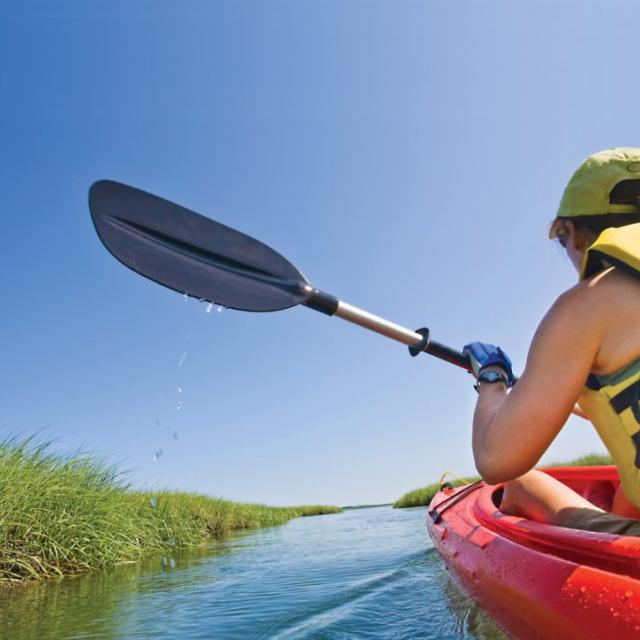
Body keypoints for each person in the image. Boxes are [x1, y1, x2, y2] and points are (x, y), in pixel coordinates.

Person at [463, 147, 640, 536]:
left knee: (522, 482)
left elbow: (496, 459)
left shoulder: (586, 307)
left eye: (562, 242)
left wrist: (492, 380)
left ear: (574, 233)